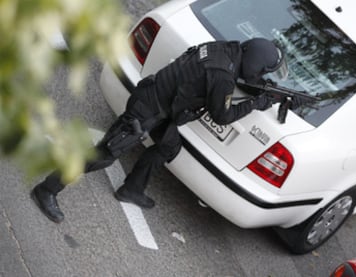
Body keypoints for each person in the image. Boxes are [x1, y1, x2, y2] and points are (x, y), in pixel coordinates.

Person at [30, 38, 287, 223]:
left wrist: (262, 88)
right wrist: (257, 104)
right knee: (103, 155)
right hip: (147, 109)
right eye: (263, 70)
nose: (262, 74)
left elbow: (224, 77)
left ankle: (131, 189)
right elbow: (222, 115)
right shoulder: (223, 76)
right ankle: (47, 189)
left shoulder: (227, 49)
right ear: (255, 64)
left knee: (168, 146)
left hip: (162, 104)